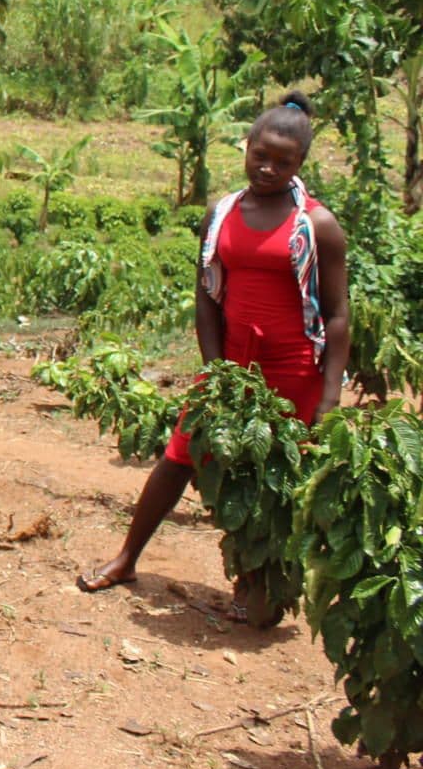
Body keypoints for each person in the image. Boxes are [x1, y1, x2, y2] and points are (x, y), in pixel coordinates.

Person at [79, 92, 349, 616]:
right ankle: (127, 557)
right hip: (231, 366)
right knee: (179, 455)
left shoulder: (317, 226)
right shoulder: (222, 213)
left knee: (277, 477)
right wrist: (215, 367)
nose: (268, 168)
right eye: (260, 156)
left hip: (293, 369)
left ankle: (260, 587)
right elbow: (206, 295)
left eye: (283, 162)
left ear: (301, 165)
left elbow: (337, 316)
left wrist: (331, 395)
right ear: (246, 148)